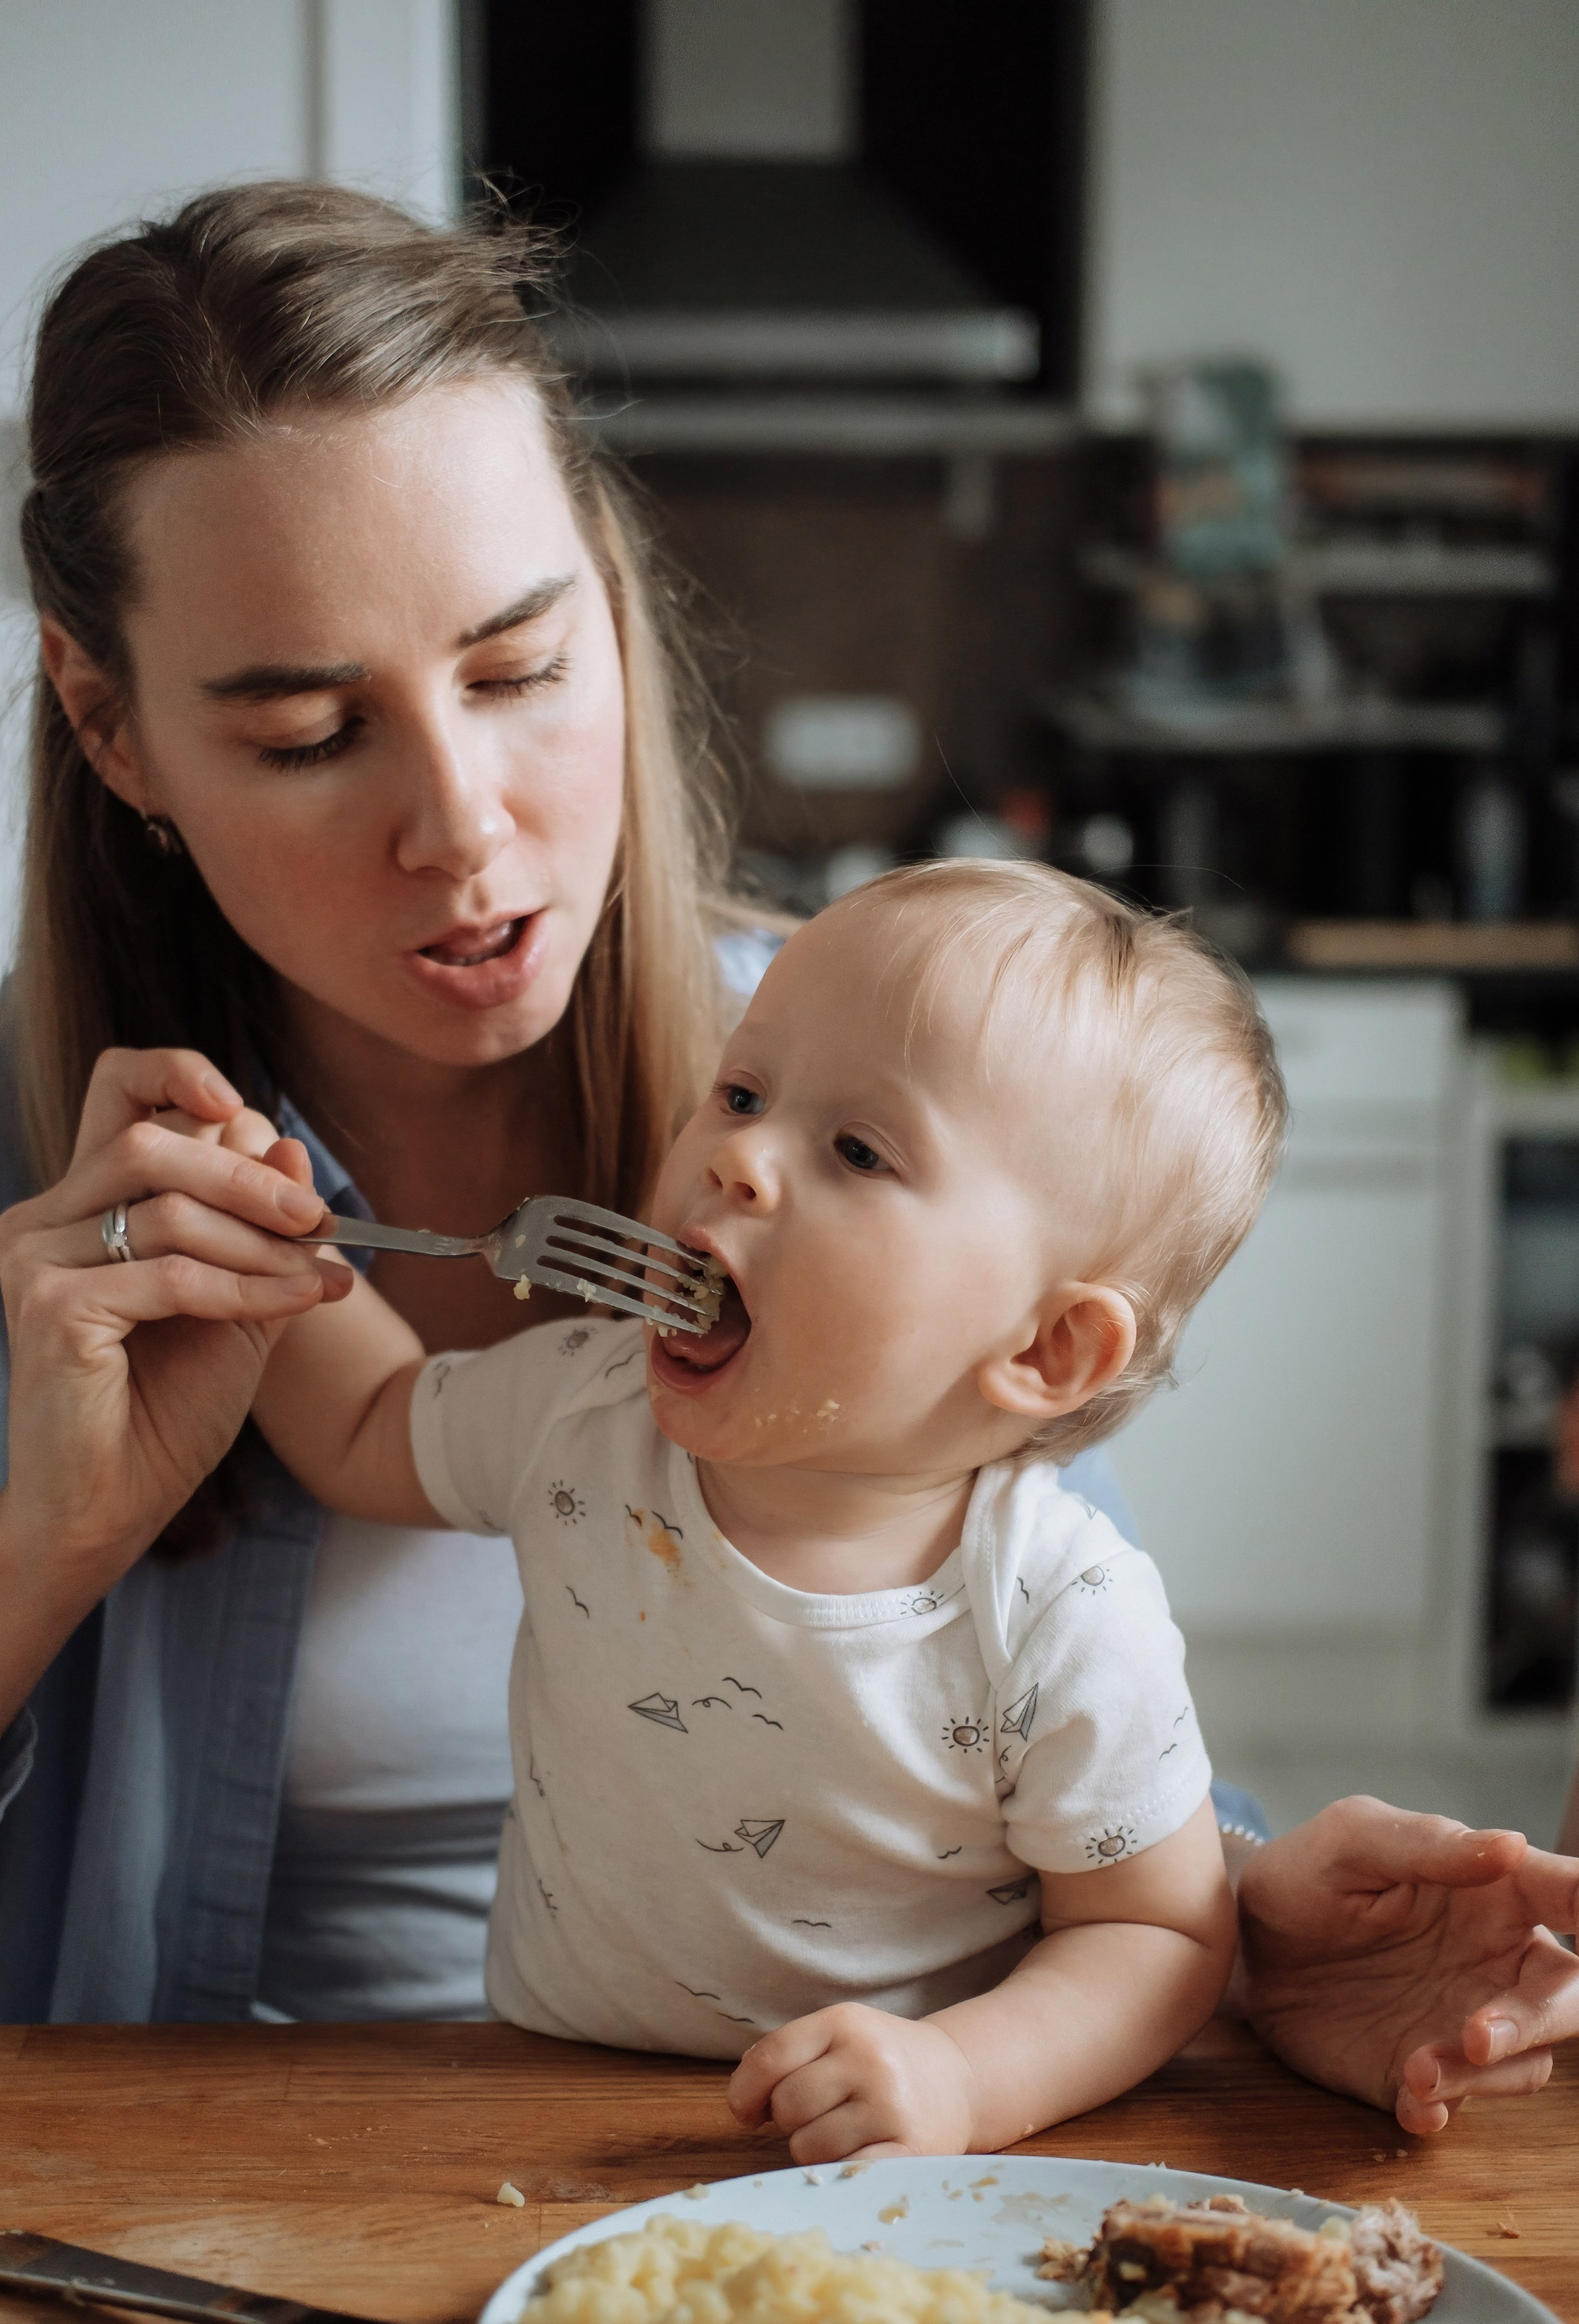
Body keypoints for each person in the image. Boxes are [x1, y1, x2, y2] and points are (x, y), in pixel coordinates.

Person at [0, 183, 1579, 2134]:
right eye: (315, 732)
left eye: (518, 672)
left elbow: (1003, 1743)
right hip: (196, 2188)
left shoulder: (895, 1077)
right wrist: (50, 1542)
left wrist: (1253, 1951)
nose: (466, 828)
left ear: (611, 600)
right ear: (116, 729)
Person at [234, 860, 1281, 2159]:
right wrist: (266, 1246)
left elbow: (1157, 1934)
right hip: (541, 2113)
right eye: (742, 1094)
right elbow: (366, 1423)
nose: (736, 1158)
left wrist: (957, 2078)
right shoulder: (588, 1405)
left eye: (858, 1150)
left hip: (881, 2160)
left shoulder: (1060, 1608)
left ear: (1050, 1350)